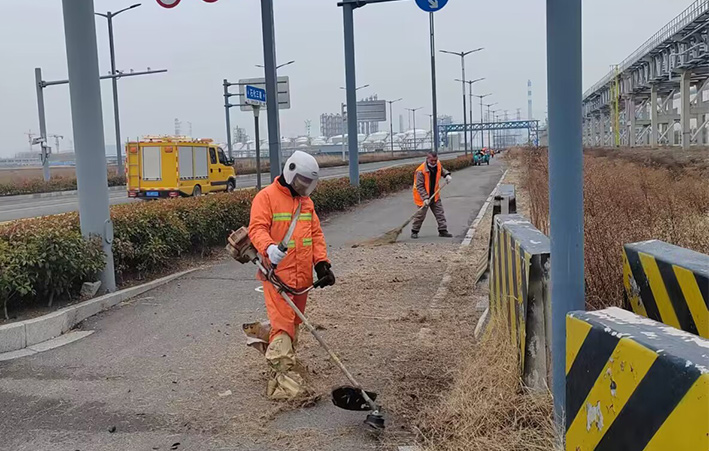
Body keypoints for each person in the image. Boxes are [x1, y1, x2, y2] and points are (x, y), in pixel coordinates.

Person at [248, 150, 336, 400]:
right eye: (301, 181)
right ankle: (282, 384)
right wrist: (269, 248)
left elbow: (315, 235)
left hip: (302, 279)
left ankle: (283, 363)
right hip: (277, 276)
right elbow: (257, 228)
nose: (304, 187)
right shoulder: (266, 197)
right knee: (283, 326)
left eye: (308, 183)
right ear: (290, 172)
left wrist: (322, 263)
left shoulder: (306, 203)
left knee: (293, 326)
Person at [411, 151, 453, 239]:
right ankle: (414, 231)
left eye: (435, 160)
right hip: (422, 197)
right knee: (420, 215)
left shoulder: (438, 164)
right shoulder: (420, 171)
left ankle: (443, 230)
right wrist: (425, 198)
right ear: (427, 159)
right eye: (432, 160)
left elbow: (442, 170)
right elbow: (419, 186)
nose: (434, 162)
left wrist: (446, 175)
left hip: (435, 195)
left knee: (440, 213)